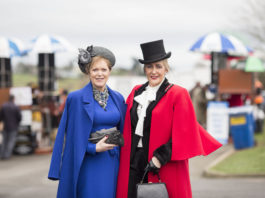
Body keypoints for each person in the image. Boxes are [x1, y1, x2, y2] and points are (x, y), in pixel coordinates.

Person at [116, 40, 222, 198]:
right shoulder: (136, 92)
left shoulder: (178, 94)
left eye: (158, 66)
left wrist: (159, 158)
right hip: (133, 162)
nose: (154, 71)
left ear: (166, 68)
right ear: (144, 69)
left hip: (162, 164)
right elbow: (126, 126)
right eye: (149, 66)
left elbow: (185, 133)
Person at [48, 45, 126, 198]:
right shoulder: (75, 98)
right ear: (88, 72)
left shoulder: (118, 98)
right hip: (88, 163)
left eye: (103, 70)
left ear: (109, 71)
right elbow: (68, 139)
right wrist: (93, 148)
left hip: (113, 162)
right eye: (95, 70)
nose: (99, 74)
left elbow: (125, 131)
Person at [0, 95, 22, 159]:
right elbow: (19, 117)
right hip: (13, 126)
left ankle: (2, 154)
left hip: (5, 126)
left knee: (4, 141)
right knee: (11, 141)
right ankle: (7, 155)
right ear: (13, 99)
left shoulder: (4, 106)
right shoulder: (16, 107)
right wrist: (17, 123)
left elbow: (0, 116)